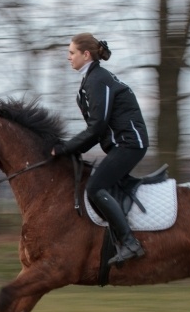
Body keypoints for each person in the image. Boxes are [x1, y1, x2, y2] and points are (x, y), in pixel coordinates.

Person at [52, 33, 150, 266]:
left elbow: (97, 127)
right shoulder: (91, 80)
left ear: (86, 55)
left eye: (72, 53)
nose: (68, 57)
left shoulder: (97, 79)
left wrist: (65, 149)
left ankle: (129, 243)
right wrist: (71, 150)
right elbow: (96, 130)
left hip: (129, 144)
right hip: (124, 144)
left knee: (95, 187)